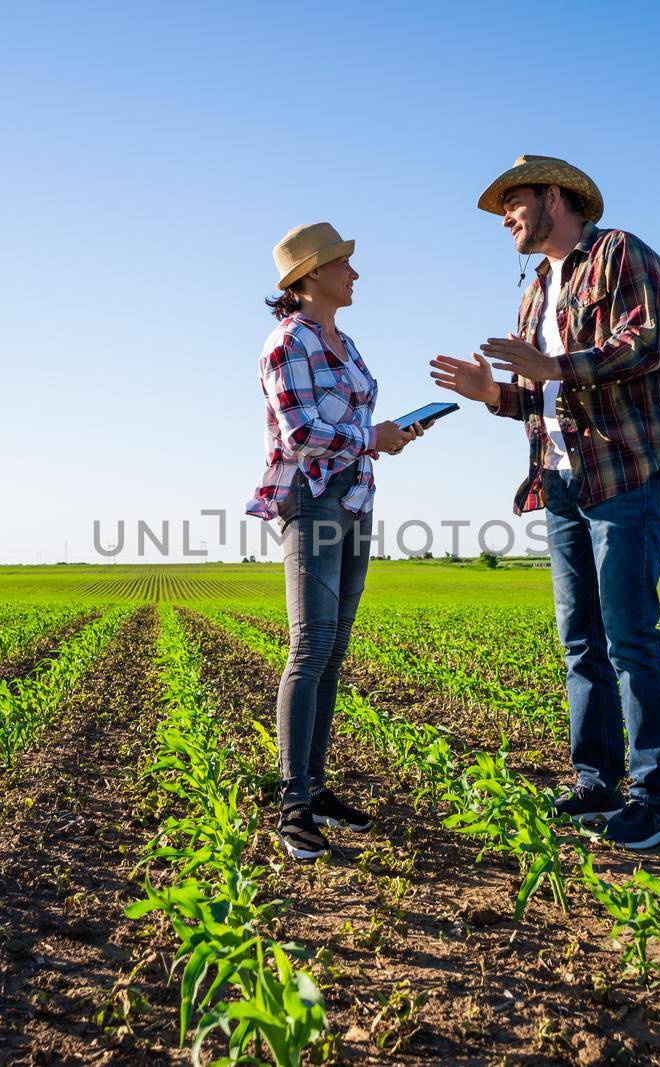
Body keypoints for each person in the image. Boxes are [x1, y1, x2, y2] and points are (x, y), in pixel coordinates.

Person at [429, 156, 660, 849]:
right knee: (580, 639)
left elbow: (643, 343)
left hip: (623, 469)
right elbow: (545, 398)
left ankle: (656, 795)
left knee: (630, 634)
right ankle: (596, 782)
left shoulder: (618, 253)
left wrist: (556, 367)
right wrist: (496, 395)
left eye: (513, 204)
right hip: (561, 478)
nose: (505, 219)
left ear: (552, 196)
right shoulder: (537, 290)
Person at [248, 221, 427, 860]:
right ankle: (294, 806)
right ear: (312, 276)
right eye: (344, 265)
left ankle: (317, 790)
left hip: (355, 499)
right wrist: (371, 437)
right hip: (314, 500)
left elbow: (349, 421)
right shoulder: (286, 343)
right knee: (311, 645)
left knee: (334, 650)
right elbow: (300, 433)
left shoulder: (343, 342)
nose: (354, 274)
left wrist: (387, 436)